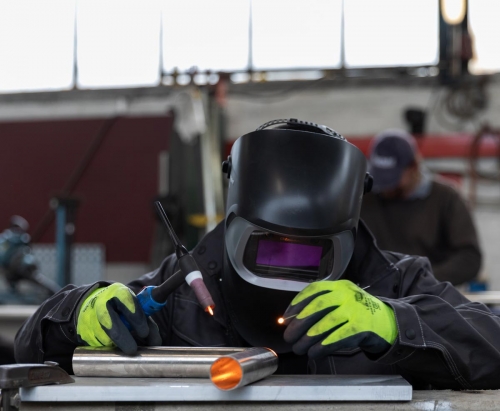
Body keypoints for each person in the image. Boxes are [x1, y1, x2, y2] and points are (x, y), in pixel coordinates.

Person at [14, 119, 500, 390]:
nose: (286, 270)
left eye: (311, 256)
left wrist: (396, 324)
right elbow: (30, 347)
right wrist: (78, 312)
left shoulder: (393, 284)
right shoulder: (185, 292)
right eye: (269, 247)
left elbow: (492, 344)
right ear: (235, 228)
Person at [360, 129, 482, 286]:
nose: (386, 188)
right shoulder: (365, 198)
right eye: (381, 178)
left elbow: (469, 259)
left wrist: (420, 279)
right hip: (375, 296)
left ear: (414, 166)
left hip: (431, 297)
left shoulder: (445, 198)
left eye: (393, 179)